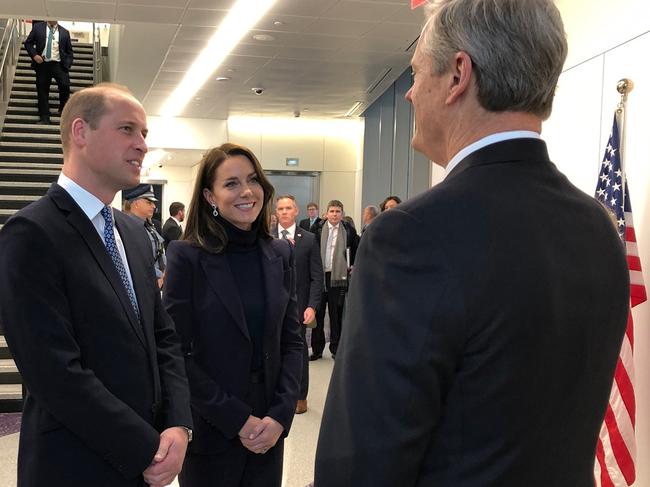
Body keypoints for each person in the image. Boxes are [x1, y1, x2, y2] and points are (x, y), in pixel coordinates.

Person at [314, 1, 630, 486]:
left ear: (458, 74)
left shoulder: (409, 238)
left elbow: (362, 461)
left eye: (416, 74)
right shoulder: (599, 229)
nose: (409, 95)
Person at [0, 83, 192, 486]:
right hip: (74, 463)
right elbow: (53, 372)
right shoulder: (31, 233)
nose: (141, 144)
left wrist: (177, 424)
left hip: (145, 458)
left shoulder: (134, 233)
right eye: (127, 129)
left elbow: (163, 338)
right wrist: (145, 447)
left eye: (144, 134)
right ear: (80, 132)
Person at [163, 143, 303, 487]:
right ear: (210, 196)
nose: (246, 191)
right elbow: (175, 353)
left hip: (269, 429)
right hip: (213, 425)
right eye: (231, 184)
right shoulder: (186, 257)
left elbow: (292, 342)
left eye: (253, 180)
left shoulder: (279, 254)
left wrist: (280, 416)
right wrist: (237, 419)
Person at [275, 194, 324, 414]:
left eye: (288, 208)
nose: (284, 212)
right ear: (276, 213)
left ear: (296, 211)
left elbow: (317, 277)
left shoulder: (309, 239)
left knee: (299, 350)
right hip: (273, 306)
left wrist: (312, 306)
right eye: (280, 209)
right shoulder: (266, 238)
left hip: (299, 306)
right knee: (272, 349)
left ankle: (300, 396)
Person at [310, 200, 359, 361]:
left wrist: (352, 265)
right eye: (332, 211)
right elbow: (310, 251)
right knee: (317, 312)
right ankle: (317, 350)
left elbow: (357, 250)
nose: (334, 214)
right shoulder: (316, 229)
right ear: (326, 213)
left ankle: (336, 348)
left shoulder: (349, 230)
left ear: (342, 214)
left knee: (335, 314)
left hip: (338, 277)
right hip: (319, 275)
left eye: (338, 211)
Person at [24, 20, 73, 124]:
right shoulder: (38, 27)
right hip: (43, 64)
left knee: (65, 85)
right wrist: (34, 55)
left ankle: (63, 110)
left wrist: (67, 64)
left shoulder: (65, 32)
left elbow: (69, 51)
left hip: (59, 64)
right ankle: (45, 118)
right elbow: (28, 43)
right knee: (42, 90)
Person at [124, 184, 166, 289]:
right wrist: (159, 277)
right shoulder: (128, 227)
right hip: (145, 282)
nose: (154, 206)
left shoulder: (149, 226)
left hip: (158, 281)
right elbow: (136, 260)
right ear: (136, 203)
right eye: (149, 202)